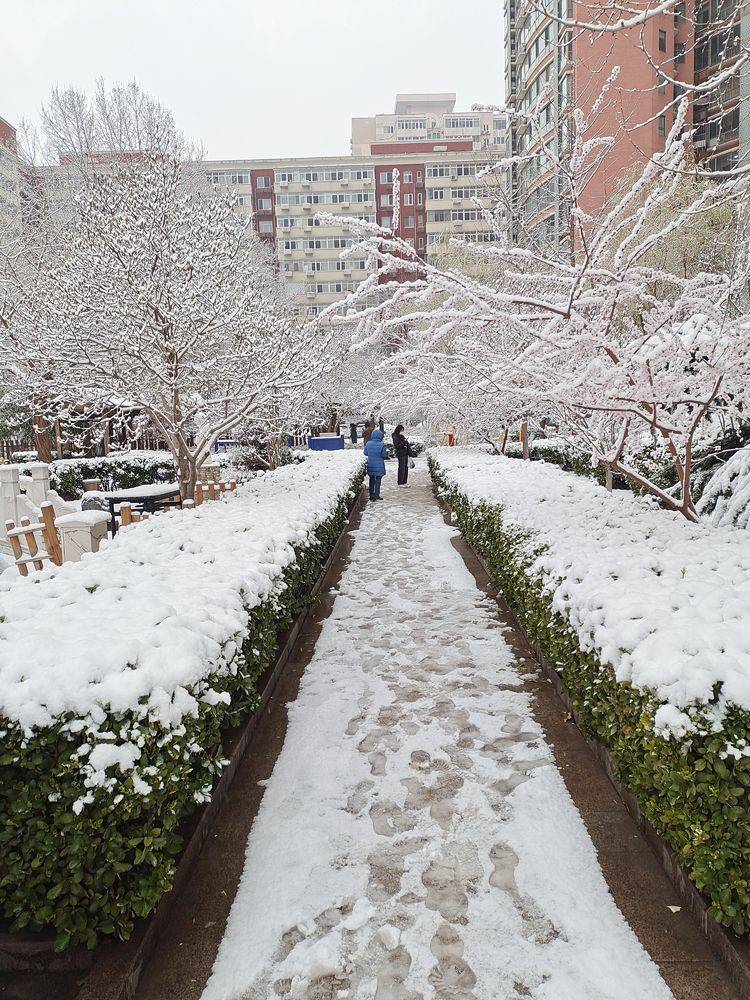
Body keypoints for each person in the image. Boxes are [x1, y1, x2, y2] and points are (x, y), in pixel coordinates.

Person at [363, 427, 387, 501]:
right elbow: (384, 455)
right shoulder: (382, 444)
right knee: (378, 480)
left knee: (371, 480)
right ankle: (377, 495)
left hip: (371, 465)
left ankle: (371, 495)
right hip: (379, 466)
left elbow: (365, 453)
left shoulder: (368, 443)